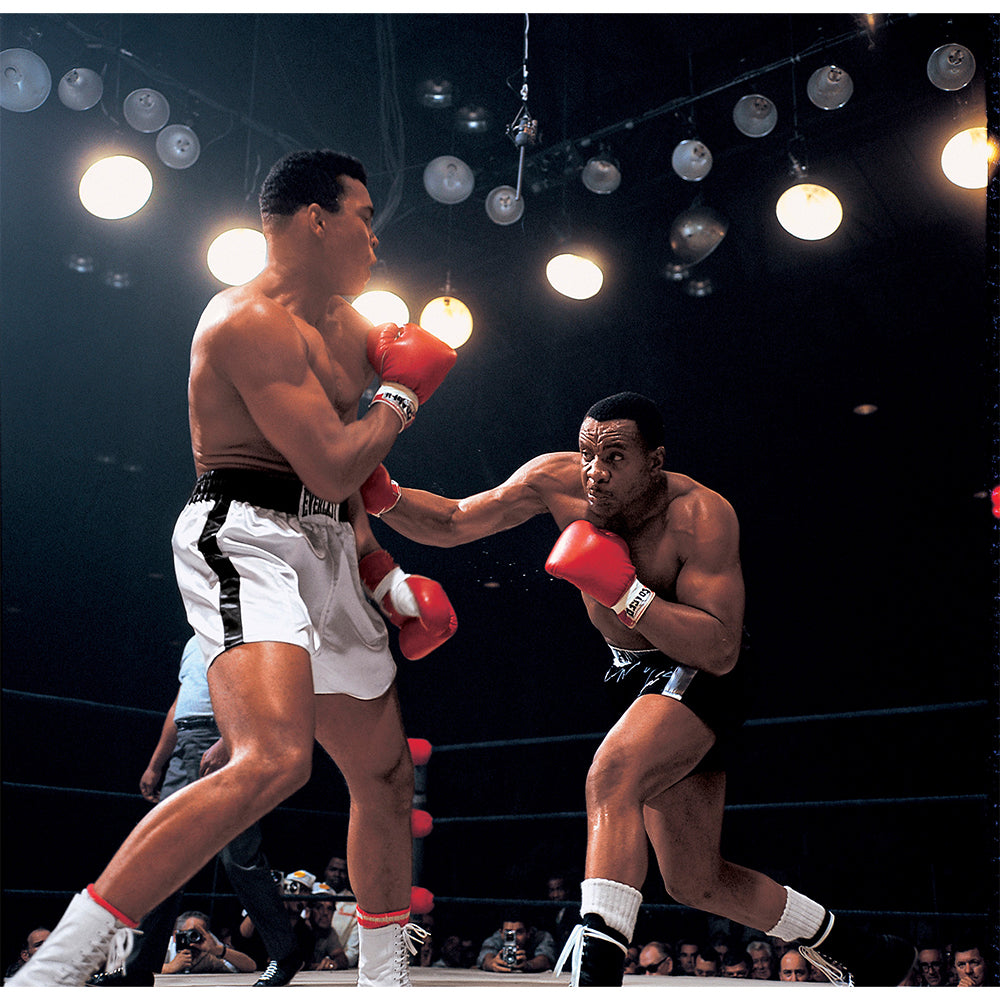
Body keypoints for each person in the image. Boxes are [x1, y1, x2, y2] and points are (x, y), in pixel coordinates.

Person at [8, 149, 457, 989]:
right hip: (245, 532)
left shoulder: (358, 331)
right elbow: (330, 462)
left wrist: (378, 566)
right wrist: (401, 399)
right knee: (273, 758)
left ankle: (384, 980)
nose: (373, 239)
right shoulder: (244, 320)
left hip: (327, 542)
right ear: (314, 218)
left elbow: (349, 488)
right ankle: (55, 968)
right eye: (364, 217)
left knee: (387, 772)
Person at [359, 390, 917, 988]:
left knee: (611, 776)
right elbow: (452, 520)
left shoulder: (701, 514)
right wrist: (378, 489)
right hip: (635, 672)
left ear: (654, 460)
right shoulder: (558, 480)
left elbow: (721, 647)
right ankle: (861, 948)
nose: (595, 472)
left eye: (615, 457)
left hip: (704, 669)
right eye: (587, 453)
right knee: (694, 879)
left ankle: (597, 976)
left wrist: (624, 592)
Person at [90, 635, 300, 987]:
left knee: (240, 857)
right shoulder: (192, 641)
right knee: (163, 856)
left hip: (225, 738)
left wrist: (230, 740)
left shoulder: (242, 625)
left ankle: (285, 952)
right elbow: (179, 706)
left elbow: (260, 689)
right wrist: (156, 764)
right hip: (187, 745)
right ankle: (138, 967)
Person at [160, 911, 255, 975]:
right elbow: (146, 969)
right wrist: (169, 967)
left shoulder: (208, 941)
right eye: (191, 933)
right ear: (176, 935)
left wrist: (218, 950)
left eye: (199, 933)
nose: (195, 938)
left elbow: (250, 966)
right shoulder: (165, 946)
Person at [321, 854, 360, 966]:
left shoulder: (355, 905)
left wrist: (335, 963)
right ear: (325, 870)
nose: (337, 874)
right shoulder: (311, 895)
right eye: (333, 869)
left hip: (337, 966)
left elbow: (352, 951)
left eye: (342, 871)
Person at [477, 918, 556, 974]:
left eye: (519, 932)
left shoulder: (541, 937)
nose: (513, 938)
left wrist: (529, 965)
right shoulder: (496, 938)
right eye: (508, 933)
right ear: (501, 932)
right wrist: (492, 963)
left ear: (529, 933)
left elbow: (545, 959)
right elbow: (486, 954)